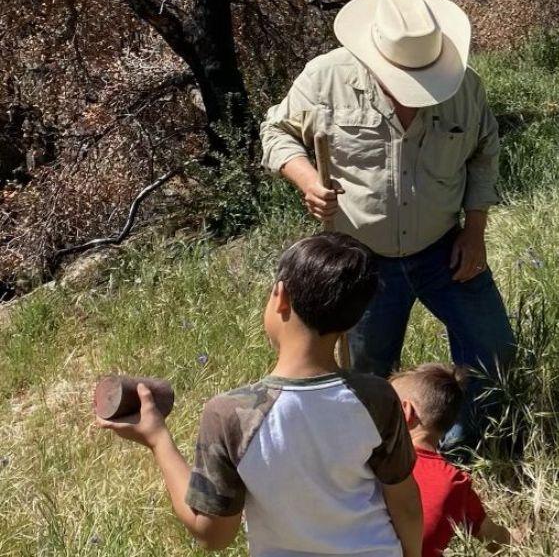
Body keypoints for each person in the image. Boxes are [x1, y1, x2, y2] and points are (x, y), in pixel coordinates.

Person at [260, 0, 515, 455]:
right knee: (369, 372)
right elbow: (276, 132)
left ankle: (462, 447)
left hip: (445, 247)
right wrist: (307, 180)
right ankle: (383, 459)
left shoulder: (466, 88)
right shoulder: (325, 79)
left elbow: (484, 154)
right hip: (362, 259)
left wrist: (475, 229)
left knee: (492, 347)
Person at [95, 232, 422, 556]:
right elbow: (405, 503)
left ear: (280, 296)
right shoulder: (377, 398)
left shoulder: (231, 414)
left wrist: (158, 440)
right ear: (352, 320)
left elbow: (213, 535)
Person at [389, 363, 512, 557]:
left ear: (406, 412)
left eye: (384, 406)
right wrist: (517, 537)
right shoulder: (455, 482)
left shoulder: (376, 462)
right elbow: (495, 540)